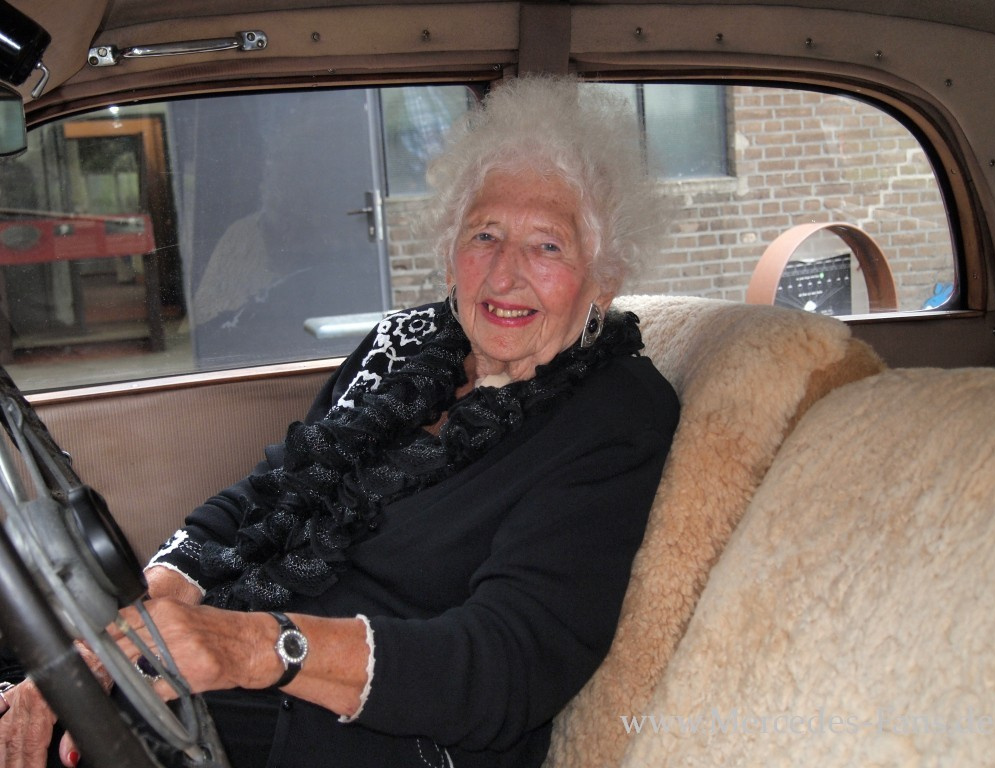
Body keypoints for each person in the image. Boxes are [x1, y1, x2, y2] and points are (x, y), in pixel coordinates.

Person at [0, 74, 679, 768]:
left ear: (604, 277)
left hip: (377, 733)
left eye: (548, 246)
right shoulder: (404, 344)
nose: (505, 274)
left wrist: (251, 647)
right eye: (486, 234)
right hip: (251, 668)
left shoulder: (615, 412)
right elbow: (266, 494)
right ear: (451, 251)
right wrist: (121, 632)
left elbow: (506, 663)